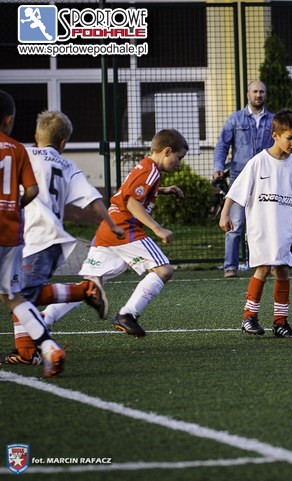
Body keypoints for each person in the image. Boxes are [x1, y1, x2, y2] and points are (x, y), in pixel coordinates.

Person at [2, 111, 125, 366]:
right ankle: (27, 350)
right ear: (63, 142)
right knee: (19, 292)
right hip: (49, 239)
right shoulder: (68, 166)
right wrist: (112, 225)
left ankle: (83, 292)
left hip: (37, 237)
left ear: (36, 136)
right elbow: (93, 200)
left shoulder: (24, 153)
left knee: (21, 293)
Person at [53, 129, 188, 338]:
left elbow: (128, 191)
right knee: (164, 270)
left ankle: (44, 318)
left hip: (108, 229)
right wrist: (157, 228)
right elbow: (132, 202)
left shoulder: (145, 167)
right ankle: (127, 314)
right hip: (125, 228)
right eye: (179, 158)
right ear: (167, 151)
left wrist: (162, 190)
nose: (179, 163)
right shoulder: (150, 171)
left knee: (90, 287)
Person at [220, 109, 292, 338]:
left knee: (283, 270)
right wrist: (225, 213)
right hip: (261, 227)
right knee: (264, 268)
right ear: (275, 135)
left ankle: (280, 322)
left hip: (283, 227)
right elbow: (236, 190)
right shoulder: (258, 162)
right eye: (290, 137)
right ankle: (249, 317)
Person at [0, 90, 65, 377]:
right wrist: (15, 205)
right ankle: (48, 347)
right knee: (13, 296)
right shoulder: (18, 149)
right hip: (12, 232)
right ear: (9, 120)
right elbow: (32, 190)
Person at [214, 80, 274, 278]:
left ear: (265, 95)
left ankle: (266, 264)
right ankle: (230, 266)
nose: (258, 95)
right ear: (248, 94)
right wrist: (218, 167)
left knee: (265, 223)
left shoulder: (273, 120)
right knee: (236, 223)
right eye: (255, 91)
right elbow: (222, 145)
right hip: (239, 176)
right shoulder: (235, 119)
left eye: (262, 92)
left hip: (266, 177)